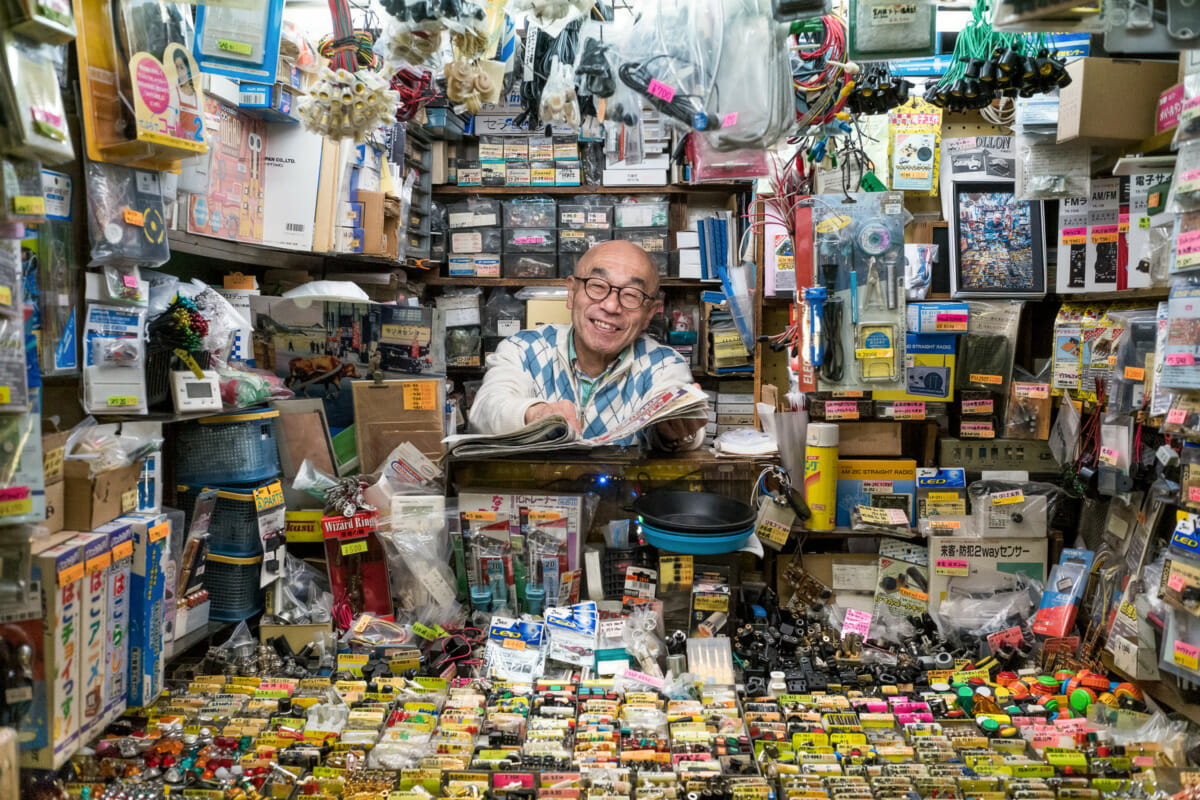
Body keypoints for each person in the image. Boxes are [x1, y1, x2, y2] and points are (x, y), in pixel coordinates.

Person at [470, 240, 707, 451]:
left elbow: (684, 421)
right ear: (571, 292)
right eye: (597, 285)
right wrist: (535, 413)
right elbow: (486, 409)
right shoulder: (523, 348)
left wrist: (676, 432)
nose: (611, 306)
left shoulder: (664, 365)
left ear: (649, 313)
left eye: (632, 294)